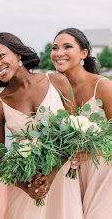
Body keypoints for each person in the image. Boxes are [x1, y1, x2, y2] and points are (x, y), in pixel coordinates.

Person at [0, 32, 83, 219]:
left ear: (18, 54)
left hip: (61, 179)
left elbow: (75, 133)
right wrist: (28, 188)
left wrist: (52, 173)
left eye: (0, 56)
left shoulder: (57, 81)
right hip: (27, 186)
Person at [51, 28, 112, 219]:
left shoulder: (102, 86)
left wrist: (93, 150)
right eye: (55, 48)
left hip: (102, 173)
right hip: (69, 177)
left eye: (67, 47)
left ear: (83, 53)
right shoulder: (52, 91)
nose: (58, 53)